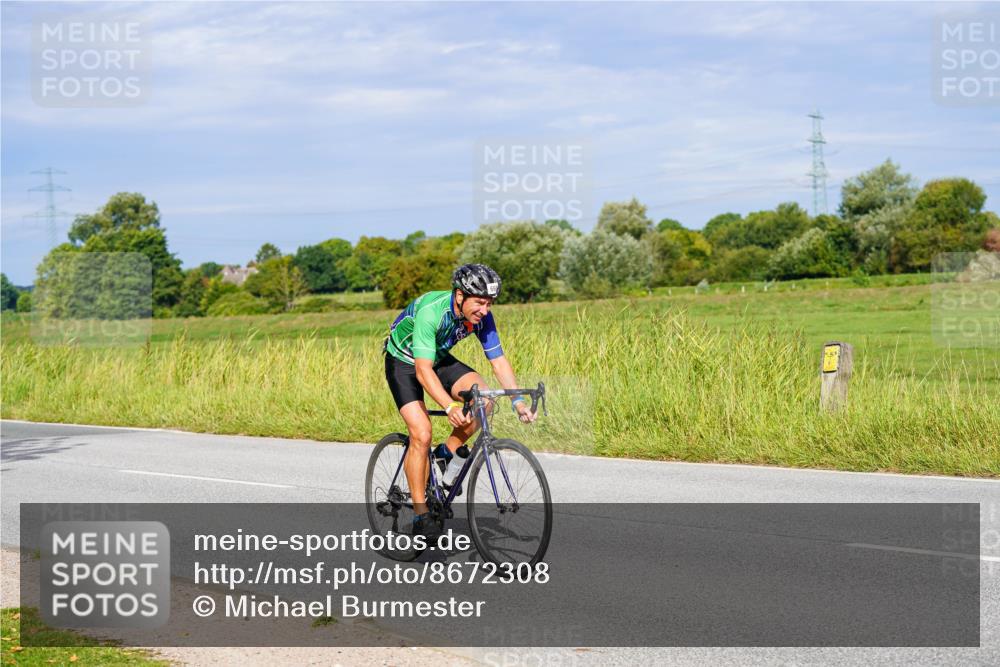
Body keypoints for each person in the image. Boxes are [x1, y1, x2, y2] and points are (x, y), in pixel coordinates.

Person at [383, 263, 536, 536]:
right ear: (459, 295)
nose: (484, 310)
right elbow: (421, 370)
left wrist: (518, 402)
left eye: (489, 303)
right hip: (404, 362)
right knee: (421, 433)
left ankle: (446, 453)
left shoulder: (482, 317)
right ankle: (421, 514)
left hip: (437, 357)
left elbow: (498, 361)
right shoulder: (433, 311)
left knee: (484, 399)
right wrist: (449, 405)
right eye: (479, 302)